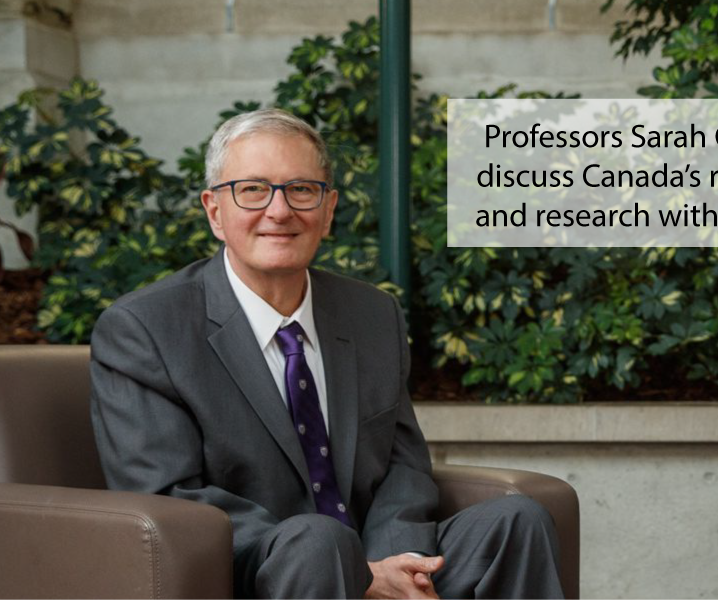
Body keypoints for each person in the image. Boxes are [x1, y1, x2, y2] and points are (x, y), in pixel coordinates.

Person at [88, 108, 565, 600]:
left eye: (301, 190)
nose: (279, 211)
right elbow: (167, 498)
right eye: (253, 189)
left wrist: (391, 566)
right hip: (251, 574)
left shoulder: (373, 314)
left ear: (329, 208)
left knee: (516, 521)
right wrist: (355, 573)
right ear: (214, 210)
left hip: (369, 556)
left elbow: (402, 467)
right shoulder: (145, 330)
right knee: (319, 542)